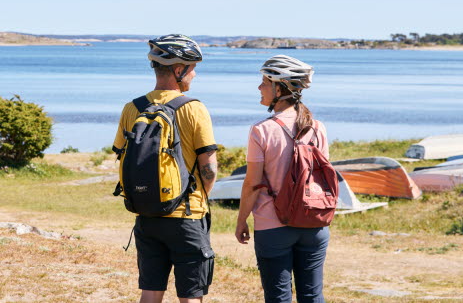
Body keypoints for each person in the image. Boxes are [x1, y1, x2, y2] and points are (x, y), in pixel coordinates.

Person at [113, 34, 220, 303]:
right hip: (187, 214)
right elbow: (209, 167)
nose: (194, 75)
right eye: (192, 68)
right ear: (178, 69)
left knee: (150, 293)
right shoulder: (194, 108)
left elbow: (122, 156)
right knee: (190, 296)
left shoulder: (132, 108)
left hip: (147, 213)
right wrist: (197, 198)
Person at [235, 55, 329, 303]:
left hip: (273, 225)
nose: (259, 87)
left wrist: (242, 219)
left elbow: (252, 183)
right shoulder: (318, 127)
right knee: (312, 295)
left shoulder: (262, 130)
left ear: (280, 88)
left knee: (278, 297)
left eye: (264, 82)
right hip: (313, 222)